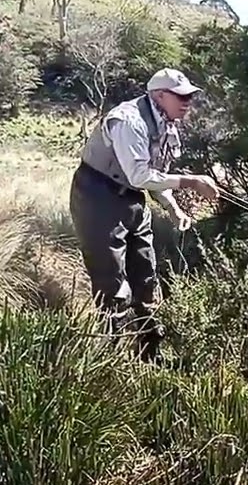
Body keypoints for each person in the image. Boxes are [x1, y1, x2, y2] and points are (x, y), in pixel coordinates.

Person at [69, 68, 220, 362]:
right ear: (160, 95)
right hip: (98, 197)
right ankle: (108, 361)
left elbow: (153, 176)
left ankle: (148, 354)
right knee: (112, 284)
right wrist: (191, 181)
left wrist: (173, 209)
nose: (188, 101)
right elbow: (139, 175)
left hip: (133, 199)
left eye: (190, 96)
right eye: (182, 96)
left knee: (147, 279)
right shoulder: (129, 121)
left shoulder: (167, 125)